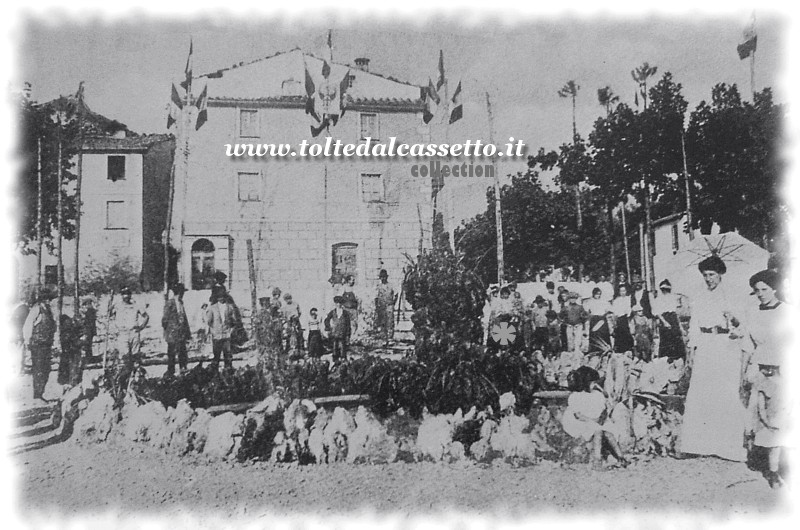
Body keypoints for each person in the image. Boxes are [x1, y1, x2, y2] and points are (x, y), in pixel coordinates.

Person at [678, 255, 747, 461]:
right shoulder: (699, 297)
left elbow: (743, 326)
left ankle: (728, 446)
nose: (708, 279)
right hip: (706, 346)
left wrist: (732, 319)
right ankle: (697, 444)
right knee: (701, 392)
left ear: (720, 274)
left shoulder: (733, 295)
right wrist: (691, 352)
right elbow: (694, 327)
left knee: (725, 392)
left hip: (726, 345)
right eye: (705, 275)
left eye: (712, 274)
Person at [737, 269, 794, 481]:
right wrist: (742, 373)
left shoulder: (788, 311)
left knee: (780, 419)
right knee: (760, 418)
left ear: (775, 289)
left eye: (764, 289)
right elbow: (747, 345)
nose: (760, 293)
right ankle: (768, 467)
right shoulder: (753, 313)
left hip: (782, 371)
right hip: (758, 370)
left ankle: (776, 468)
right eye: (756, 290)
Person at [562, 366, 628, 470]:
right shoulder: (576, 396)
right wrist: (593, 421)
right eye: (592, 383)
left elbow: (603, 411)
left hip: (597, 421)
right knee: (597, 431)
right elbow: (578, 415)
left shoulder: (597, 395)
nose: (595, 385)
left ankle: (620, 457)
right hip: (581, 422)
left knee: (608, 433)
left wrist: (601, 418)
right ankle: (597, 459)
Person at [22, 290, 56, 401]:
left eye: (49, 299)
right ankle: (37, 395)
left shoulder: (48, 310)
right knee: (39, 369)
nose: (49, 301)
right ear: (42, 299)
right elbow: (27, 326)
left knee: (46, 369)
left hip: (46, 344)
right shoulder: (36, 310)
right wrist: (27, 341)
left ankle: (40, 393)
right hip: (37, 344)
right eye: (47, 299)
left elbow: (51, 326)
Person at [110, 286, 149, 365]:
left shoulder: (136, 305)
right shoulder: (117, 306)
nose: (126, 296)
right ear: (122, 295)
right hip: (122, 333)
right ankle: (126, 375)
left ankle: (135, 375)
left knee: (135, 356)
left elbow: (146, 316)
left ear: (130, 295)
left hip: (134, 333)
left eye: (128, 294)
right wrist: (109, 307)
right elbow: (109, 316)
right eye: (124, 294)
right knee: (125, 356)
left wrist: (141, 327)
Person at [162, 283, 192, 376]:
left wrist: (187, 333)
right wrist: (168, 330)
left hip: (181, 334)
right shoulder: (170, 303)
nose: (183, 294)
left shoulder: (181, 302)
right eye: (182, 292)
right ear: (179, 292)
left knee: (182, 353)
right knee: (171, 353)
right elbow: (165, 319)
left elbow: (184, 318)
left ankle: (183, 370)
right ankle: (171, 372)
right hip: (172, 334)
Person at [652, 279, 686, 361]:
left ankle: (677, 359)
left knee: (676, 338)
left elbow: (675, 313)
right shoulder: (658, 299)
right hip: (664, 318)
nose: (665, 291)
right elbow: (658, 313)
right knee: (666, 339)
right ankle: (667, 359)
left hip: (673, 318)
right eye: (663, 290)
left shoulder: (672, 298)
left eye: (667, 290)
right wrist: (665, 322)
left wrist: (681, 327)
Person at [206, 286, 236, 370]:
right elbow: (209, 321)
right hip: (217, 336)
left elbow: (234, 321)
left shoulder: (230, 307)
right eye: (219, 296)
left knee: (228, 356)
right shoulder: (212, 308)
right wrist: (213, 331)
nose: (221, 298)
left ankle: (228, 372)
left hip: (226, 335)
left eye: (222, 296)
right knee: (216, 356)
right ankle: (215, 374)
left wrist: (231, 330)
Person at [584, 287, 612, 353]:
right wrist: (590, 315)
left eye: (599, 294)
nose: (598, 295)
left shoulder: (603, 301)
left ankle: (605, 349)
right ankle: (594, 349)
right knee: (594, 334)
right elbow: (586, 311)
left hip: (602, 318)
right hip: (594, 319)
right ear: (593, 294)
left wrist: (604, 314)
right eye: (596, 294)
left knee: (603, 334)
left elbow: (609, 309)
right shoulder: (589, 301)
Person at [324, 296, 351, 362]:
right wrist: (328, 328)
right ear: (335, 304)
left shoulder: (345, 313)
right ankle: (335, 360)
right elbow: (326, 320)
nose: (338, 304)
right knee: (335, 346)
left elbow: (348, 324)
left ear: (342, 304)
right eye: (337, 303)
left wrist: (348, 333)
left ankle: (343, 359)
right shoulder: (332, 312)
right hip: (335, 332)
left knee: (342, 346)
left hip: (342, 332)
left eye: (340, 303)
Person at [374, 269, 397, 347]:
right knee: (382, 322)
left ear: (387, 277)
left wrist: (393, 303)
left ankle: (390, 339)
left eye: (384, 277)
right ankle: (384, 339)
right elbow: (376, 297)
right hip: (381, 306)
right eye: (382, 277)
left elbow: (396, 294)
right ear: (380, 278)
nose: (383, 278)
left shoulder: (391, 285)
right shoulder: (378, 287)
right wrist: (377, 307)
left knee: (390, 322)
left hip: (389, 306)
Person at [611, 284, 634, 353]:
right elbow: (615, 312)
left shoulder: (629, 299)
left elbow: (630, 309)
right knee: (620, 334)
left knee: (628, 333)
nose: (622, 293)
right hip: (620, 319)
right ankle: (620, 350)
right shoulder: (616, 301)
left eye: (624, 291)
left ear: (626, 291)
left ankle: (629, 349)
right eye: (621, 291)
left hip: (628, 318)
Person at [11, 298, 29, 374]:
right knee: (20, 352)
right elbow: (25, 324)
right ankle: (19, 370)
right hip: (19, 333)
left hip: (14, 332)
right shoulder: (25, 309)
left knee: (15, 351)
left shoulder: (17, 309)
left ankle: (14, 368)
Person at [79, 298, 98, 363]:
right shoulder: (91, 311)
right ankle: (89, 357)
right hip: (89, 330)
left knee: (88, 344)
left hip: (88, 330)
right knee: (88, 344)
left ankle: (88, 358)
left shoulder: (89, 311)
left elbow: (89, 322)